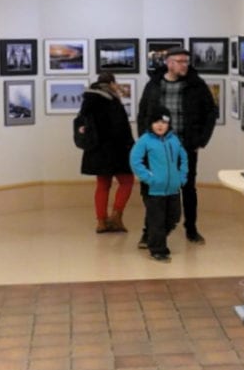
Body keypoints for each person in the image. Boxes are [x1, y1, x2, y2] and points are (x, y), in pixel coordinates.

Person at [137, 46, 217, 243]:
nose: (184, 65)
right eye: (180, 61)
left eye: (186, 61)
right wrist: (144, 139)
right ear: (169, 63)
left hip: (185, 146)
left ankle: (191, 228)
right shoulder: (154, 85)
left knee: (188, 188)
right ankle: (149, 231)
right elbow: (143, 113)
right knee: (154, 188)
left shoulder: (196, 85)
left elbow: (210, 113)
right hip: (156, 147)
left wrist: (201, 140)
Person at [78, 71, 135, 233]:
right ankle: (116, 217)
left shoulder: (88, 100)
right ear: (111, 84)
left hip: (97, 150)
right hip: (117, 149)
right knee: (127, 181)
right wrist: (130, 146)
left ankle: (101, 222)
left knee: (102, 185)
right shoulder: (112, 101)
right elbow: (121, 127)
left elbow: (82, 124)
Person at [129, 106, 187, 261]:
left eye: (163, 122)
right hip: (153, 190)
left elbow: (183, 159)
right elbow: (135, 161)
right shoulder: (145, 141)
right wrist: (149, 178)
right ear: (150, 124)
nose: (160, 125)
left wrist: (181, 177)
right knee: (157, 220)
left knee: (174, 217)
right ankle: (158, 249)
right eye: (156, 122)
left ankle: (153, 238)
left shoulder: (174, 140)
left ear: (169, 124)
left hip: (173, 189)